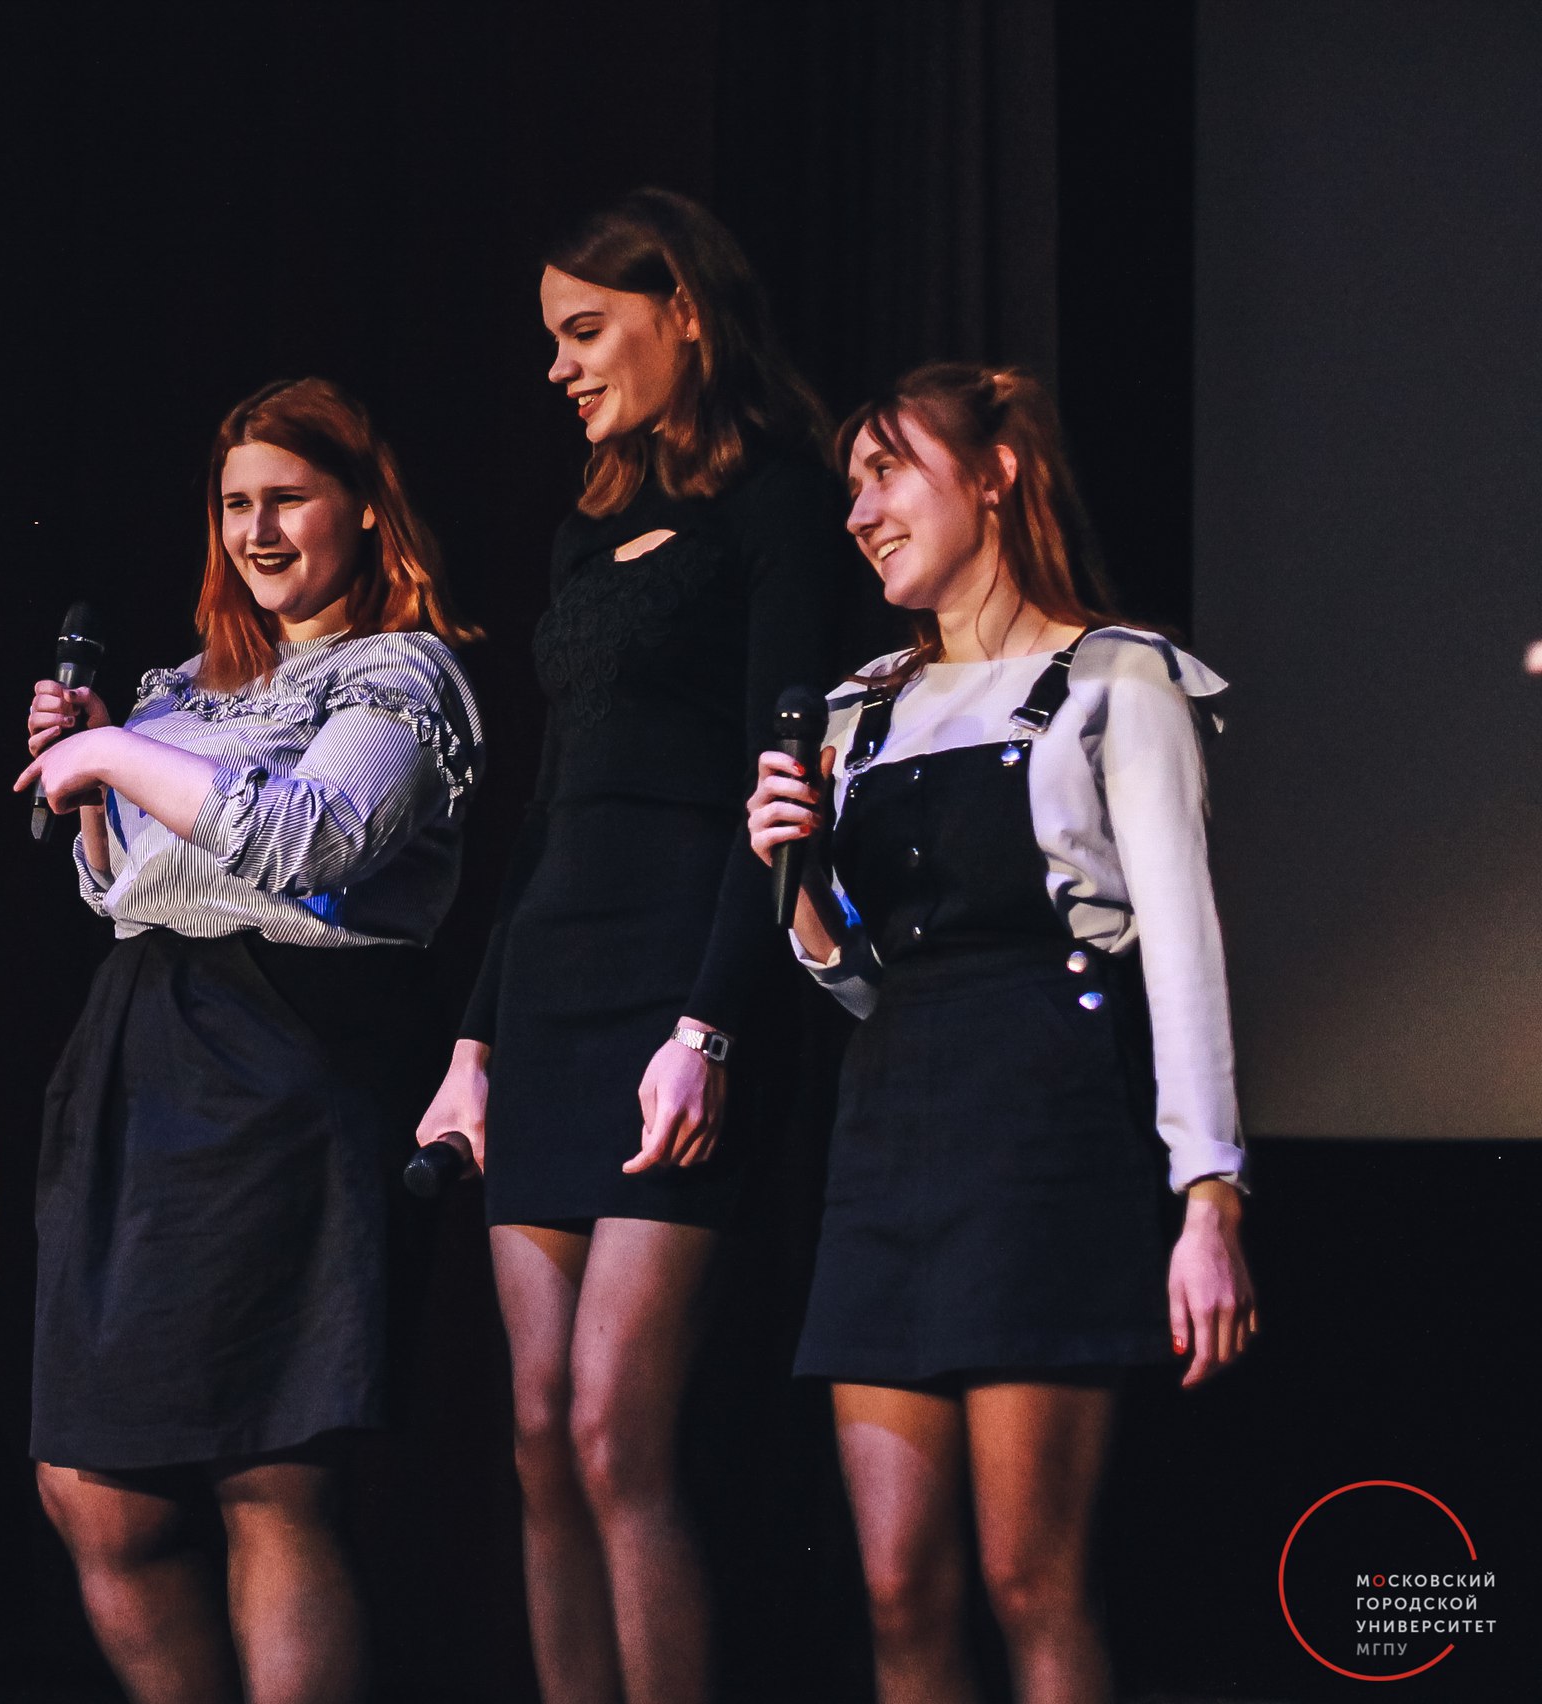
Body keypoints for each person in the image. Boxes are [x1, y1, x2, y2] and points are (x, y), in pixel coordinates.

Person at [745, 363, 1258, 1703]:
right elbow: (857, 982)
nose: (859, 512)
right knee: (896, 1588)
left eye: (888, 472)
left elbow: (1184, 949)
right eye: (851, 486)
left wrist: (1208, 1199)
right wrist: (797, 885)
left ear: (995, 473)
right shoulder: (861, 707)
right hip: (888, 1131)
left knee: (1031, 1579)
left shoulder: (1115, 679)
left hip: (1041, 1135)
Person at [411, 188, 856, 1703]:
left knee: (614, 1429)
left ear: (686, 313)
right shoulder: (583, 532)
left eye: (585, 331)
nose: (558, 367)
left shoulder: (779, 505)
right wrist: (473, 1042)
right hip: (550, 998)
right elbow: (549, 805)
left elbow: (774, 790)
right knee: (539, 1434)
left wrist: (710, 1023)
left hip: (680, 985)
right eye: (552, 339)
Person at [16, 376, 484, 1704]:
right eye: (235, 505)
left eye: (288, 499)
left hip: (285, 1057)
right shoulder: (184, 682)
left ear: (364, 506)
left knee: (267, 1472)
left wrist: (115, 759)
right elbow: (123, 891)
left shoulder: (400, 673)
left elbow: (315, 840)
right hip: (139, 1049)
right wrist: (95, 781)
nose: (257, 533)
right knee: (93, 1491)